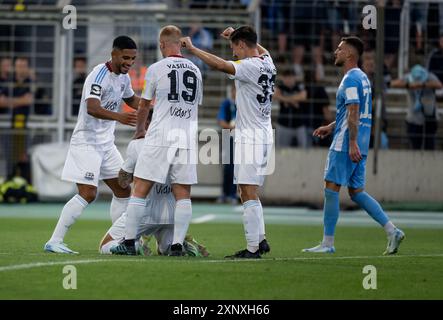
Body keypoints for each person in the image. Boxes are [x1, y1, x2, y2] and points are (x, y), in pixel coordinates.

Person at [302, 36, 405, 255]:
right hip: (362, 142)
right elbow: (352, 111)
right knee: (357, 192)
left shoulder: (349, 79)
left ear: (349, 54)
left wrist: (350, 143)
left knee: (331, 189)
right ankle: (392, 230)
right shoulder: (363, 78)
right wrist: (331, 126)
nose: (335, 52)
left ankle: (327, 243)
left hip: (346, 144)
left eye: (339, 49)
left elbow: (354, 111)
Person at [181, 25, 275, 259]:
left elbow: (219, 64)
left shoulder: (248, 67)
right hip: (263, 133)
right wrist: (235, 34)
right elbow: (258, 48)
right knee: (247, 190)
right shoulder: (268, 62)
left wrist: (193, 49)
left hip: (251, 136)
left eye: (234, 47)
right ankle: (260, 239)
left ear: (243, 45)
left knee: (248, 190)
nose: (233, 52)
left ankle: (252, 249)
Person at [110, 25, 203, 257]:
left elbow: (144, 104)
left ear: (162, 45)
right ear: (180, 43)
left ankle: (130, 243)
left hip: (161, 134)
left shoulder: (156, 68)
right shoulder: (196, 69)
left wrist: (140, 130)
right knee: (183, 192)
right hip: (186, 136)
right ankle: (177, 246)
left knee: (140, 188)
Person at [44, 36, 140, 254]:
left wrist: (153, 106)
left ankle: (120, 240)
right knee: (88, 193)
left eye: (133, 59)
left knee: (123, 189)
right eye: (126, 57)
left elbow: (132, 100)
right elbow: (92, 108)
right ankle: (54, 240)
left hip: (106, 144)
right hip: (87, 142)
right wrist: (120, 117)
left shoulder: (123, 78)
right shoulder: (99, 76)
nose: (129, 62)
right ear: (114, 53)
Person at [99, 115, 209, 257]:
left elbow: (123, 181)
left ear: (150, 123)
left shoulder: (139, 145)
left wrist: (132, 172)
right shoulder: (185, 145)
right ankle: (179, 244)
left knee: (105, 245)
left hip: (144, 213)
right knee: (165, 250)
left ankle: (135, 244)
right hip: (172, 215)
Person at [391, 64, 442, 150]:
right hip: (413, 119)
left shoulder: (429, 76)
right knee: (414, 148)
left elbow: (439, 85)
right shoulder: (409, 77)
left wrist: (423, 84)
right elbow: (393, 83)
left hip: (429, 118)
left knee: (429, 147)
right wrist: (408, 85)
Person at [273, 67, 308, 147]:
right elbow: (275, 96)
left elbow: (303, 97)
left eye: (290, 77)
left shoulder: (299, 86)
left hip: (299, 124)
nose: (288, 79)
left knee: (303, 150)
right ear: (283, 78)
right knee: (281, 150)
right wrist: (293, 101)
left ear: (294, 78)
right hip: (283, 124)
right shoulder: (280, 86)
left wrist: (285, 100)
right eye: (286, 77)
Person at [216, 84, 238, 204]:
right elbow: (221, 121)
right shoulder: (227, 104)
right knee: (227, 167)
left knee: (237, 168)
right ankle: (225, 193)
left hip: (240, 139)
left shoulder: (244, 105)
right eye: (234, 91)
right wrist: (232, 126)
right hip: (228, 138)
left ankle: (233, 194)